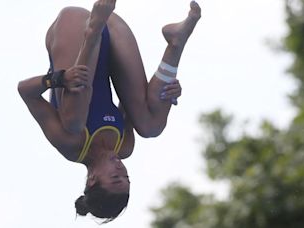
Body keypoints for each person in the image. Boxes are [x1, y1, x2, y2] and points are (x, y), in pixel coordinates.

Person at [17, 0, 201, 223]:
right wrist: (167, 92)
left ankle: (93, 29)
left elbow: (25, 91)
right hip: (113, 30)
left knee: (74, 124)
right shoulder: (123, 146)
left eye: (115, 176)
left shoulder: (70, 145)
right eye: (126, 175)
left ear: (92, 179)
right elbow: (134, 101)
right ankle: (175, 43)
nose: (120, 166)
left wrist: (57, 79)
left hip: (73, 27)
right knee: (151, 126)